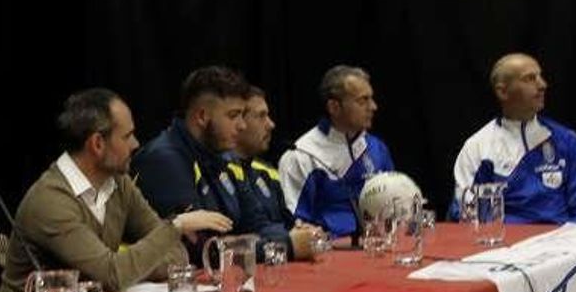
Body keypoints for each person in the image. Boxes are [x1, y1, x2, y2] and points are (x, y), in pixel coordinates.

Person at [0, 88, 232, 292]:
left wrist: (129, 265)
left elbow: (176, 255)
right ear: (97, 144)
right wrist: (176, 225)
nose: (136, 144)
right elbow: (112, 276)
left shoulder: (119, 183)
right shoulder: (50, 201)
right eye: (127, 136)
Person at [132, 66, 314, 261]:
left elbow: (256, 224)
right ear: (202, 117)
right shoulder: (165, 160)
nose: (242, 125)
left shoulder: (225, 157)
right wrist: (286, 245)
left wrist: (296, 235)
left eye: (243, 115)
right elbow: (200, 249)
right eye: (233, 115)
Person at [450, 53, 576, 223]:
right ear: (502, 91)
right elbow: (464, 212)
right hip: (506, 245)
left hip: (562, 245)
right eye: (530, 78)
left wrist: (570, 243)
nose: (542, 85)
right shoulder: (477, 147)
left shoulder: (568, 142)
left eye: (540, 76)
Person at [278, 65, 394, 238]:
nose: (373, 106)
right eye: (363, 101)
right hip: (329, 255)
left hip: (379, 246)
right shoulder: (301, 156)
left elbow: (394, 205)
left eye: (371, 99)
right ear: (334, 107)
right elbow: (295, 226)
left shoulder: (376, 147)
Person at [227, 85, 294, 229]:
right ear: (239, 121)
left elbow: (288, 224)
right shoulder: (218, 173)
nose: (271, 125)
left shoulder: (269, 173)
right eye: (261, 116)